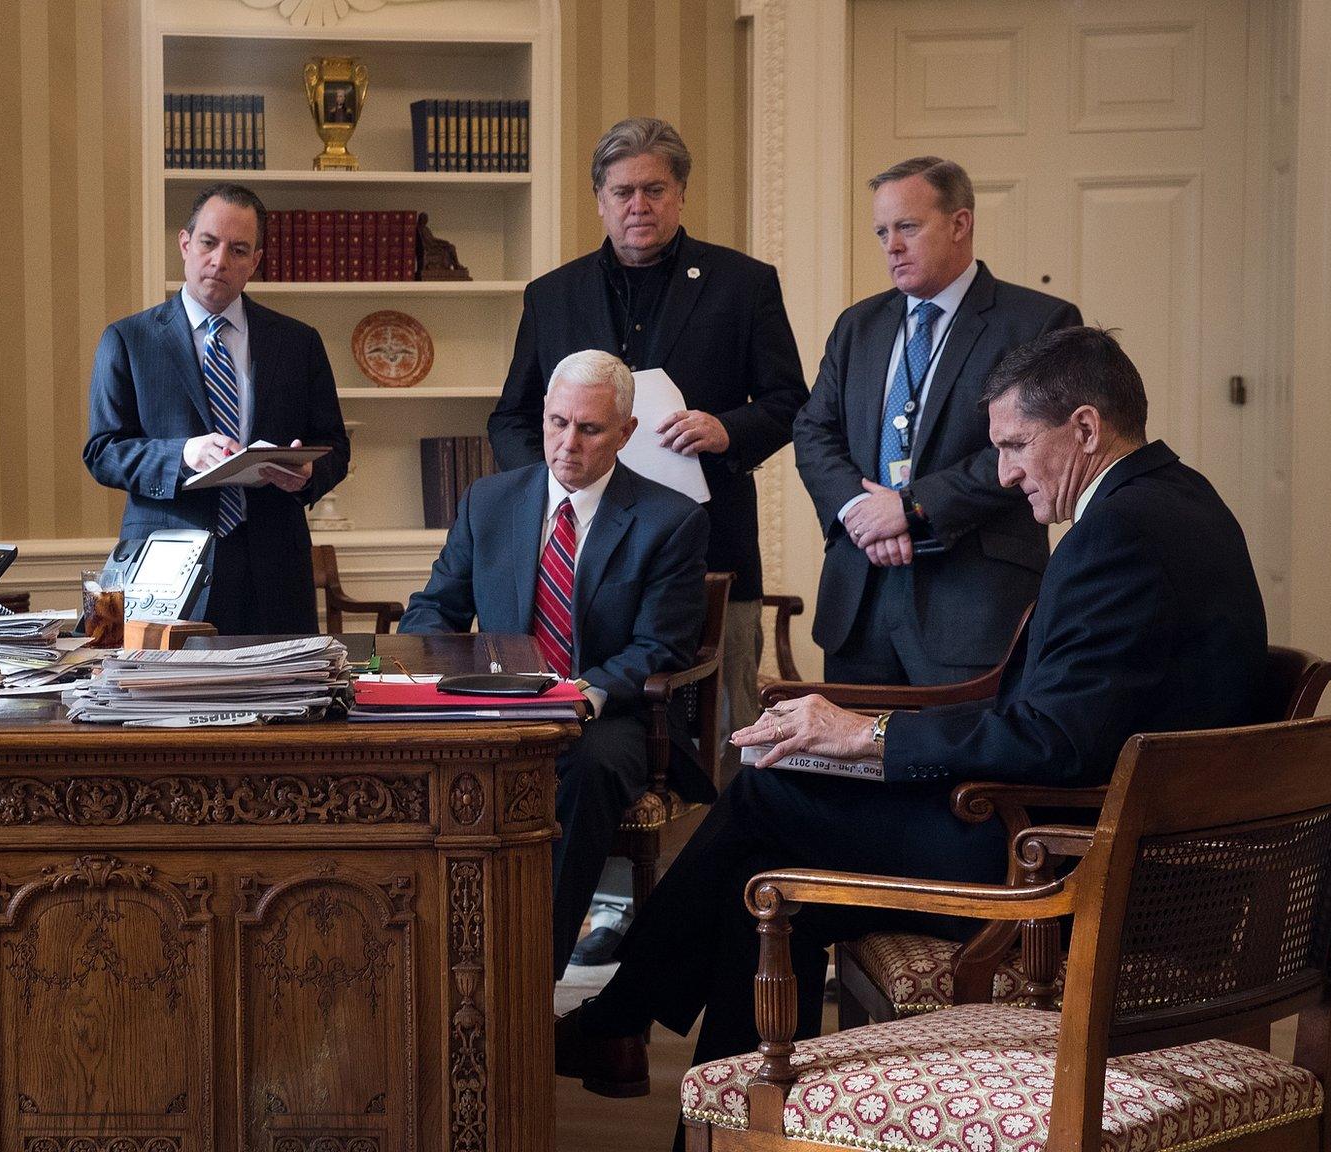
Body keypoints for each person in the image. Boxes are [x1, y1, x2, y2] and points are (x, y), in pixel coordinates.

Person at [555, 326, 1268, 1103]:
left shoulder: (1122, 531)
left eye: (1015, 445)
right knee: (773, 825)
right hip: (1091, 829)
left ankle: (636, 1035)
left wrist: (866, 734)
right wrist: (844, 740)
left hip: (1077, 865)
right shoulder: (1177, 497)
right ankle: (696, 1082)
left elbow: (1055, 739)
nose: (1003, 473)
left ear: (1086, 428)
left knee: (765, 809)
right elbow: (1056, 717)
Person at [487, 116, 806, 964]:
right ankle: (599, 911)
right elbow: (513, 416)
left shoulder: (743, 284)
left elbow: (790, 404)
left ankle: (712, 922)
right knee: (593, 734)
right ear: (599, 199)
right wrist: (550, 482)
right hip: (573, 546)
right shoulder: (552, 295)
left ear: (681, 195)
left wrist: (725, 427)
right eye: (623, 191)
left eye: (655, 189)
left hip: (705, 551)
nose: (639, 206)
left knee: (720, 730)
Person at [403, 350, 709, 979]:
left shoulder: (670, 520)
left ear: (624, 433)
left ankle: (525, 973)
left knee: (584, 766)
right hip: (496, 705)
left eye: (589, 429)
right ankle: (431, 961)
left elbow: (659, 649)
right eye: (556, 422)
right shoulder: (488, 501)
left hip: (611, 715)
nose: (567, 443)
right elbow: (436, 607)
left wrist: (581, 696)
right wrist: (419, 674)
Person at [792, 156, 1082, 685]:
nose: (891, 246)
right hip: (860, 598)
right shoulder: (858, 326)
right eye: (882, 231)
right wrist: (861, 509)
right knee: (848, 764)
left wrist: (911, 508)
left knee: (958, 764)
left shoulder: (1039, 323)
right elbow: (813, 431)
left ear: (959, 223)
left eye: (907, 226)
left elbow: (1034, 447)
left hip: (971, 604)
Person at [85, 182, 351, 634]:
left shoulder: (298, 343)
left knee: (285, 700)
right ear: (185, 244)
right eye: (209, 243)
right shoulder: (130, 340)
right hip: (167, 572)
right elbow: (103, 452)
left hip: (275, 573)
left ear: (256, 262)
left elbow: (335, 447)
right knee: (166, 702)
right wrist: (182, 455)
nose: (220, 261)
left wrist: (308, 474)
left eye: (239, 249)